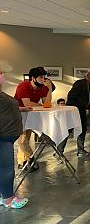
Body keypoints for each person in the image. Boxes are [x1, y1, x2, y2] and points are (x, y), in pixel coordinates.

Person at [0, 65, 31, 208]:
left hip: (8, 136)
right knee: (6, 169)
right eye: (0, 73)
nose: (3, 76)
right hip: (3, 137)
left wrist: (20, 108)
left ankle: (3, 196)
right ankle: (8, 199)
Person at [14, 67, 52, 171]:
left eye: (44, 77)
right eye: (41, 77)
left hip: (30, 115)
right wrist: (39, 105)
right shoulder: (23, 86)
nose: (43, 79)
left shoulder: (43, 87)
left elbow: (47, 104)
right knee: (22, 140)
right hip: (19, 114)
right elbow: (27, 104)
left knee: (25, 139)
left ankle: (23, 162)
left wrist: (49, 89)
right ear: (33, 78)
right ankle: (30, 159)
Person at [58, 71, 90, 157]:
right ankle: (59, 151)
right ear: (89, 77)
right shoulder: (80, 83)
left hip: (81, 110)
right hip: (75, 111)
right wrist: (73, 109)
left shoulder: (89, 85)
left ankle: (80, 150)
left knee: (82, 129)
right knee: (69, 130)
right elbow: (72, 96)